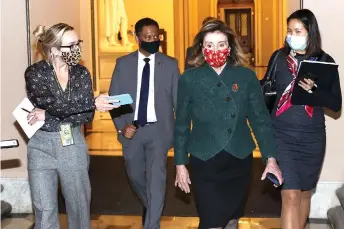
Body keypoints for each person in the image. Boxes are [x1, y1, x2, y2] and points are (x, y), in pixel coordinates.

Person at [174, 19, 283, 229]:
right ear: (201, 48)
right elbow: (181, 124)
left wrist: (271, 158)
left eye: (221, 44)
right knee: (211, 221)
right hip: (204, 160)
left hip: (238, 158)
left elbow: (260, 119)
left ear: (230, 47)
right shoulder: (189, 79)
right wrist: (180, 164)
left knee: (232, 220)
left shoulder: (246, 77)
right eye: (209, 45)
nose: (215, 50)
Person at [25, 23, 118, 229]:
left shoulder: (81, 73)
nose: (77, 49)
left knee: (78, 206)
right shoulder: (35, 73)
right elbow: (54, 103)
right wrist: (91, 101)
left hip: (72, 143)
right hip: (41, 146)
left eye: (78, 43)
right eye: (72, 45)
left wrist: (47, 114)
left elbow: (85, 115)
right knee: (44, 208)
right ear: (55, 49)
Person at [261, 9, 342, 229]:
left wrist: (316, 90)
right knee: (290, 195)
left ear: (310, 32)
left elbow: (336, 104)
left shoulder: (325, 62)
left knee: (305, 194)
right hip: (282, 136)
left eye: (298, 30)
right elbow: (267, 89)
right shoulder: (278, 58)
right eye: (289, 30)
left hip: (312, 139)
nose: (292, 35)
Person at [108, 18, 180, 229]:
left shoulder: (170, 64)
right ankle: (152, 208)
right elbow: (115, 98)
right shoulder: (124, 64)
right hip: (133, 131)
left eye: (156, 37)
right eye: (147, 37)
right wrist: (122, 126)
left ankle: (152, 224)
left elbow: (179, 102)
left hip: (159, 132)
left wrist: (184, 131)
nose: (153, 40)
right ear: (137, 38)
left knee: (157, 181)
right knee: (135, 175)